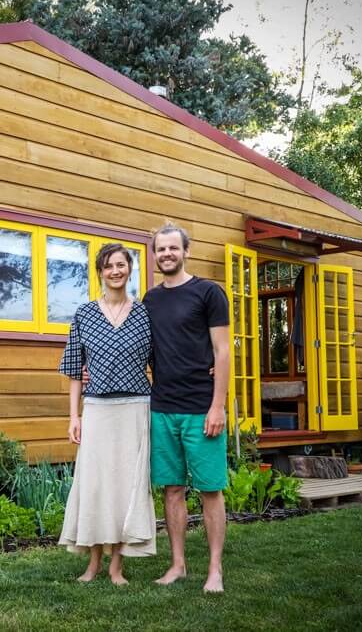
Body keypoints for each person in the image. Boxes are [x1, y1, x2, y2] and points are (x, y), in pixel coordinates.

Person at [58, 243, 156, 585]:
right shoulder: (85, 314)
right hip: (97, 409)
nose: (116, 271)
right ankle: (93, 563)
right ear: (100, 272)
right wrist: (74, 416)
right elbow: (73, 369)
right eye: (109, 266)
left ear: (129, 270)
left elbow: (162, 361)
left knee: (126, 486)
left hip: (135, 408)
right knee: (96, 485)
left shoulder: (144, 314)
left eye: (121, 265)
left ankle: (116, 566)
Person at [142, 223, 230, 593]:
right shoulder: (150, 300)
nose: (166, 254)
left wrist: (218, 406)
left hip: (200, 408)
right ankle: (177, 564)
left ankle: (215, 569)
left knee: (210, 489)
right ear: (155, 255)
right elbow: (141, 352)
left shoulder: (209, 293)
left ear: (185, 251)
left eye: (172, 248)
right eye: (160, 249)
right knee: (172, 490)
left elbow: (223, 351)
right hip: (162, 408)